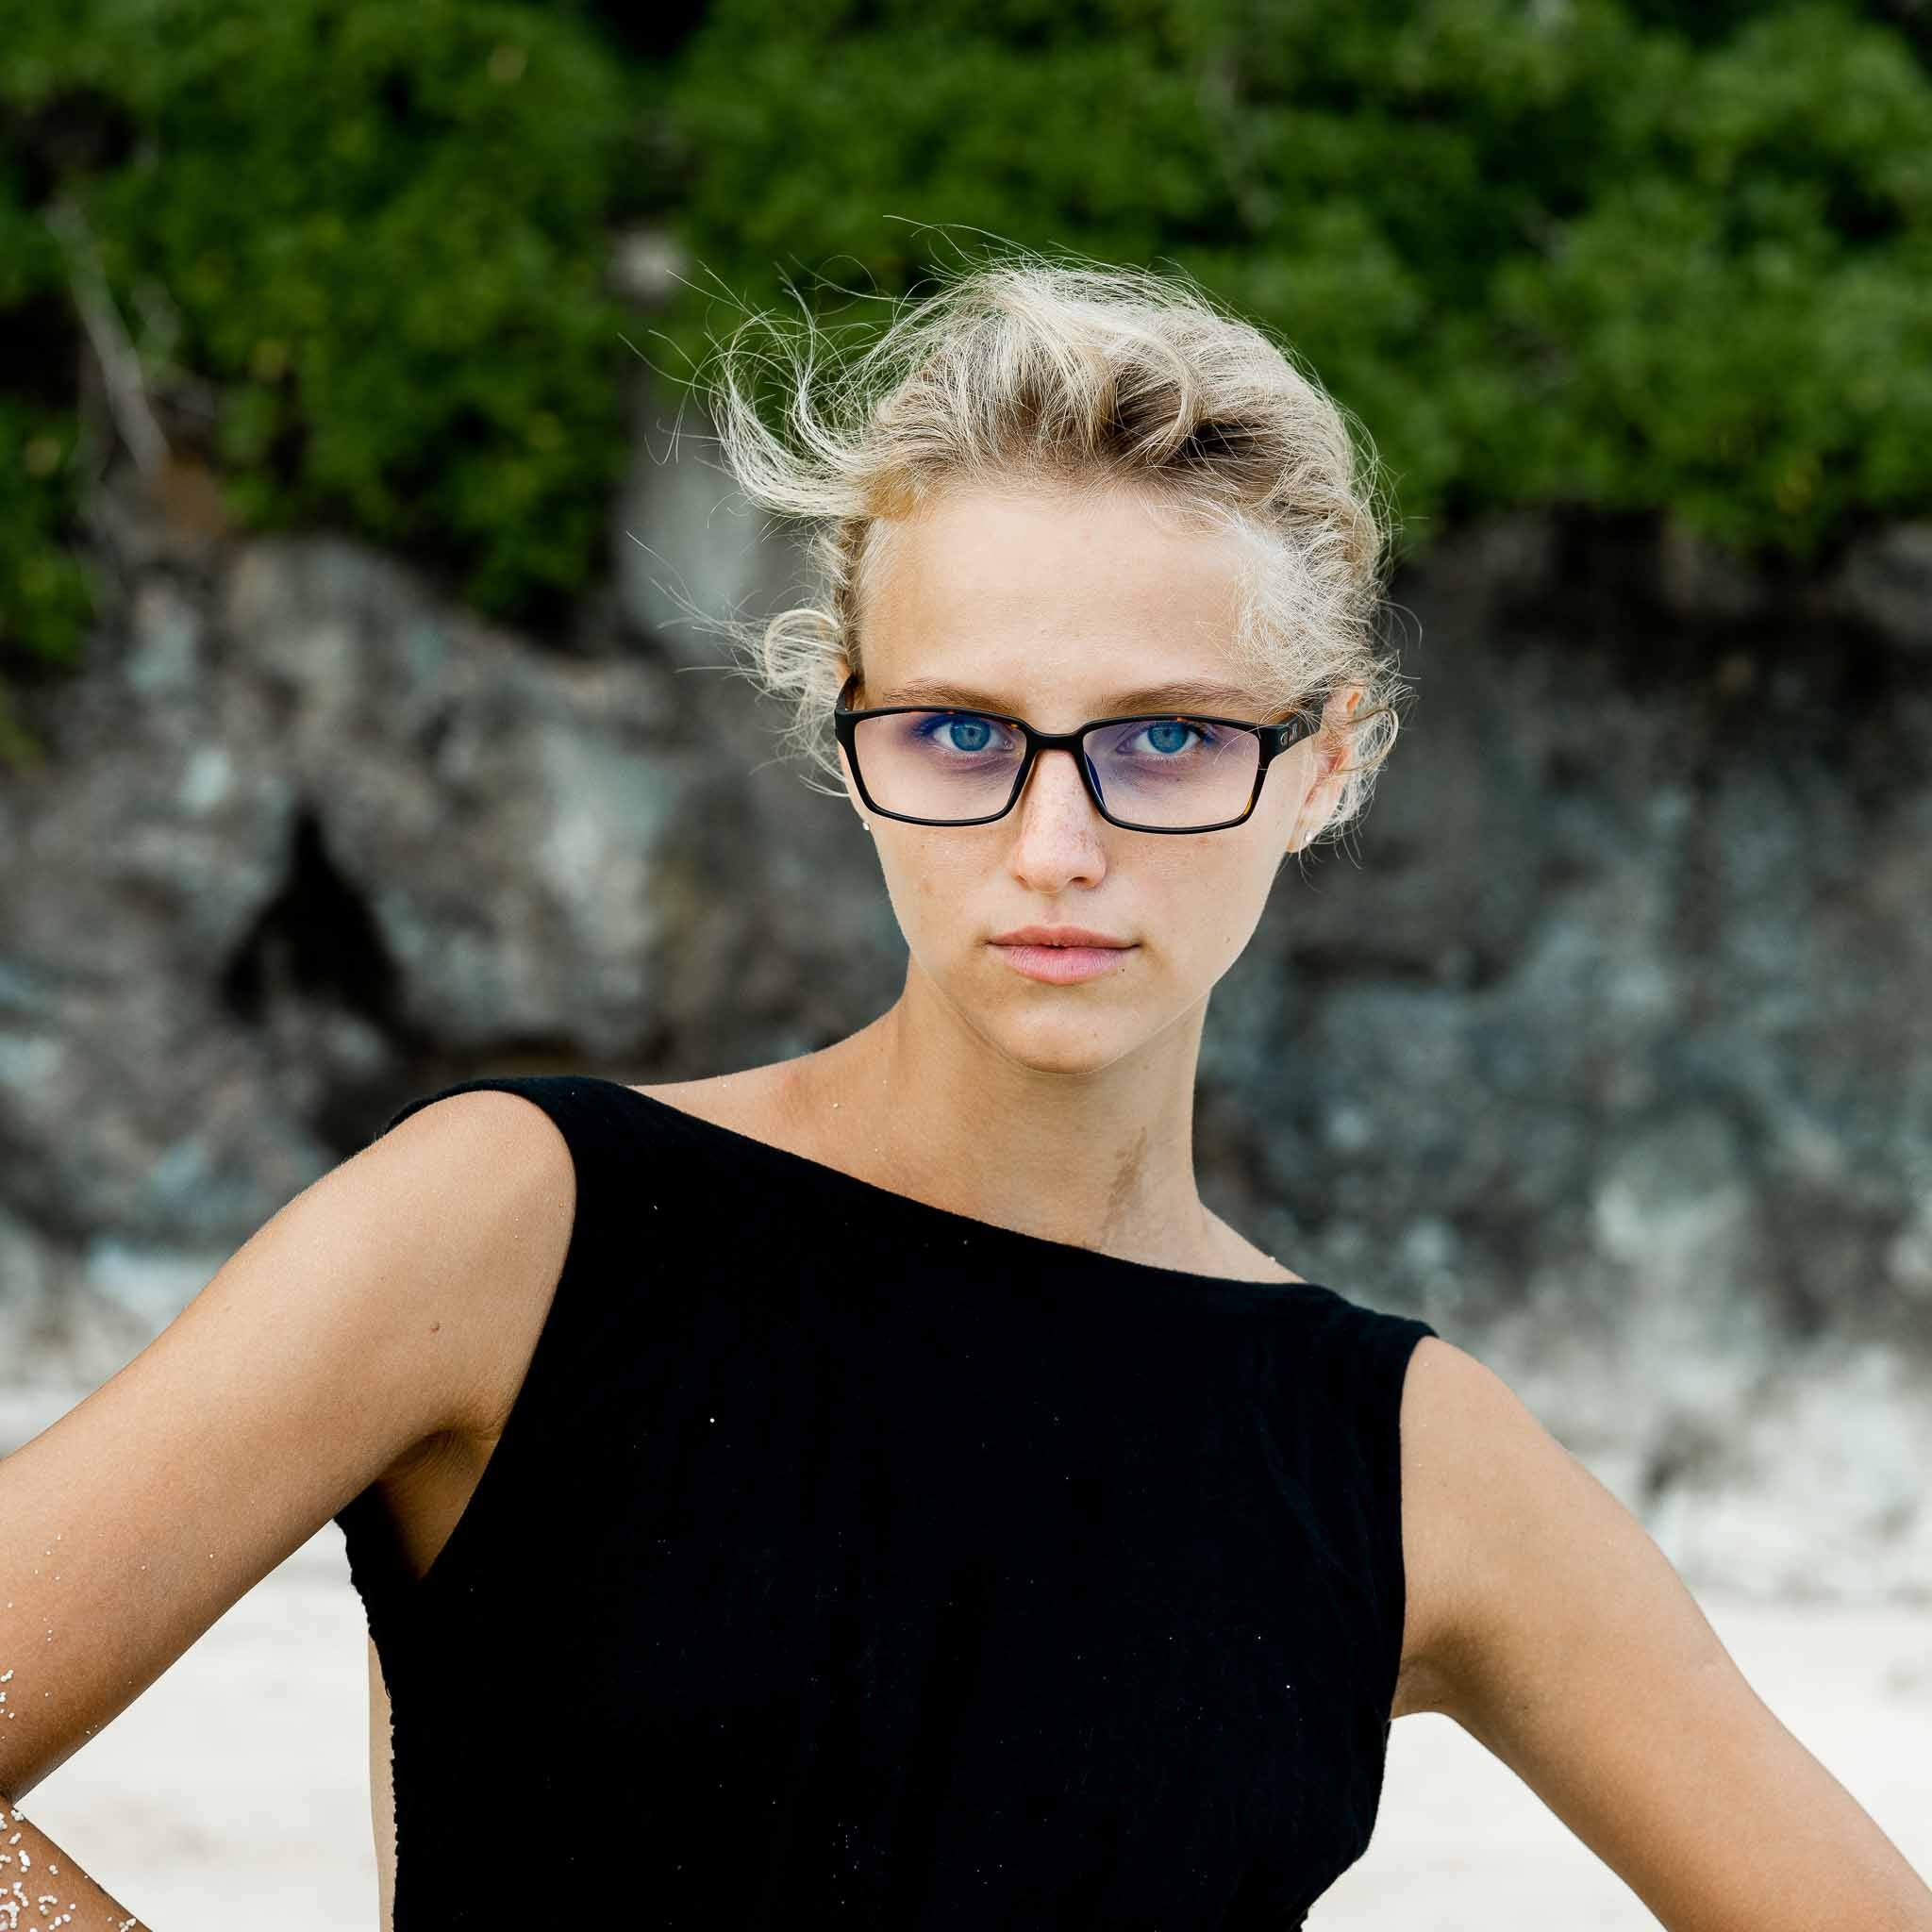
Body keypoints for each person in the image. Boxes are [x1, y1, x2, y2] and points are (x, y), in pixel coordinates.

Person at [3, 250, 1928, 1932]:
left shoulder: (1405, 1455)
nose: (1055, 844)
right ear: (844, 731)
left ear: (1327, 761)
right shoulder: (518, 1224)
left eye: (1166, 739)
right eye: (961, 732)